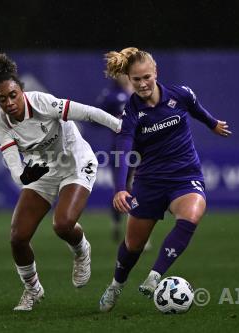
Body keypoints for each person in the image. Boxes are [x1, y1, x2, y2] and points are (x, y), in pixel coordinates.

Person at [0, 53, 122, 311]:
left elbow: (87, 113)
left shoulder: (41, 102)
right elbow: (14, 165)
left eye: (13, 95)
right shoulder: (1, 123)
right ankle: (32, 290)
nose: (9, 102)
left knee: (63, 224)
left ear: (21, 90)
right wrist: (25, 177)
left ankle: (81, 250)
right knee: (18, 237)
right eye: (2, 98)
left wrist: (120, 127)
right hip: (41, 171)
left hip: (75, 162)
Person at [98, 47, 231, 312]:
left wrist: (213, 123)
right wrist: (120, 189)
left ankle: (155, 276)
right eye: (136, 80)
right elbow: (122, 152)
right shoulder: (132, 113)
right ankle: (116, 285)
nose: (143, 83)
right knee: (132, 246)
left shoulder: (180, 94)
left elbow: (197, 109)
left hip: (186, 176)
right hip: (149, 182)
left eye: (147, 77)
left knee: (192, 215)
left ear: (156, 73)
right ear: (129, 80)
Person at [96, 74, 134, 242]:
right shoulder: (111, 95)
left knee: (137, 187)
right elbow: (94, 118)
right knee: (121, 188)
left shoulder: (141, 92)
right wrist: (114, 122)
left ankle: (135, 232)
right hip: (119, 148)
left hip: (141, 148)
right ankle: (117, 223)